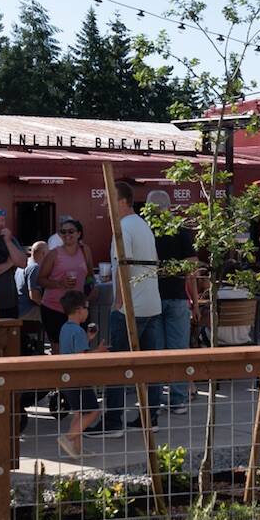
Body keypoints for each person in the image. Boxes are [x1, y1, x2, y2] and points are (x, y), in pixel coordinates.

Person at [99, 181, 167, 433]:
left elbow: (123, 264)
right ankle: (149, 420)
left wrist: (119, 301)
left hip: (131, 307)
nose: (104, 203)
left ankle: (114, 421)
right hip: (151, 304)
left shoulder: (123, 227)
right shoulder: (142, 225)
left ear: (123, 201)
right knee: (150, 367)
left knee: (118, 366)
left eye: (108, 198)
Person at [146, 190, 199, 412]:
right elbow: (192, 269)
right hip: (178, 296)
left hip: (153, 298)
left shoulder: (147, 231)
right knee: (179, 350)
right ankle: (178, 400)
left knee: (156, 351)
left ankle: (155, 403)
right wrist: (195, 302)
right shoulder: (180, 231)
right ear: (169, 208)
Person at [54, 290, 105, 459]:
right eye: (86, 307)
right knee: (93, 412)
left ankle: (77, 449)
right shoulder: (78, 331)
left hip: (67, 378)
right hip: (79, 379)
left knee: (79, 413)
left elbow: (72, 350)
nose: (87, 310)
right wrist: (99, 351)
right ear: (78, 310)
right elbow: (82, 356)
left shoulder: (65, 328)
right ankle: (68, 438)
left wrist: (88, 339)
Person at [36, 218, 94, 353]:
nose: (67, 235)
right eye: (63, 232)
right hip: (54, 307)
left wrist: (92, 288)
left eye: (71, 231)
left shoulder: (85, 251)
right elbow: (40, 279)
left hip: (77, 308)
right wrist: (59, 283)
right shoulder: (54, 253)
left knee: (81, 346)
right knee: (58, 349)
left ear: (79, 233)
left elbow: (90, 275)